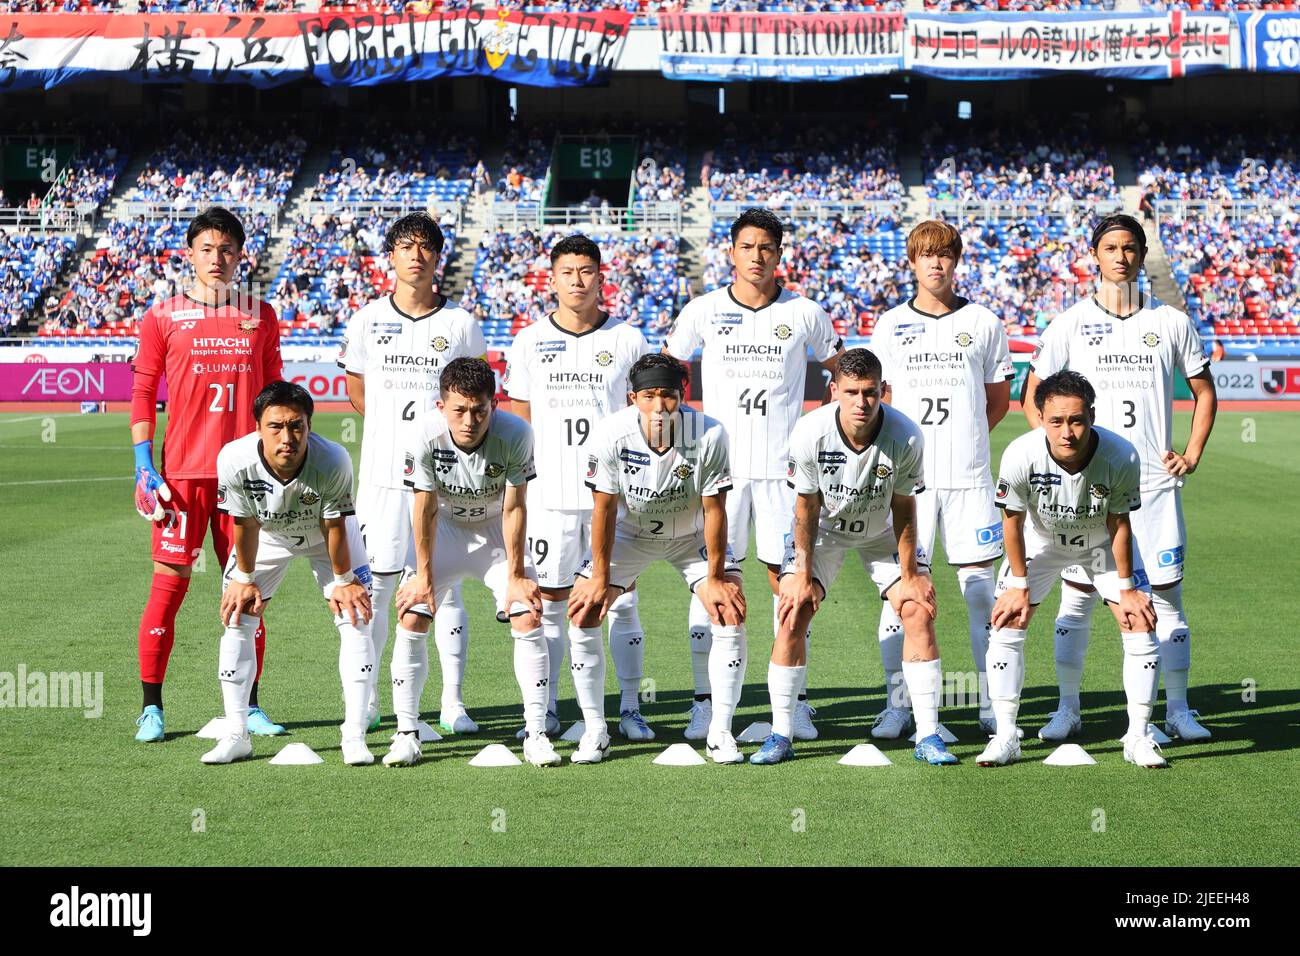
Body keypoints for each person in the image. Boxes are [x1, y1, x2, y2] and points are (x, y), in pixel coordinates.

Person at [1024, 214, 1217, 743]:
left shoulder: (1172, 322)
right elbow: (1032, 392)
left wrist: (1192, 453)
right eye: (1111, 247)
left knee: (1168, 599)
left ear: (1141, 252)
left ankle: (1176, 710)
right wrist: (1054, 461)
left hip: (1153, 488)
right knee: (1078, 599)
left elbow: (1204, 391)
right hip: (1086, 489)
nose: (1121, 257)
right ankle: (1068, 709)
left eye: (1130, 247)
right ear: (1096, 254)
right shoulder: (1069, 323)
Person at [664, 207, 842, 742]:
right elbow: (667, 372)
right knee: (714, 583)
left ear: (779, 253)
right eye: (748, 246)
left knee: (788, 585)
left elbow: (844, 372)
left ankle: (795, 703)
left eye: (767, 247)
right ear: (731, 252)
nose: (757, 256)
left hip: (783, 477)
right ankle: (705, 703)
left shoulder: (806, 313)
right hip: (717, 476)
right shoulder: (703, 311)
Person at [752, 348, 956, 766]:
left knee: (918, 610)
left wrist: (911, 573)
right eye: (851, 392)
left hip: (881, 529)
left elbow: (904, 508)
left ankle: (928, 735)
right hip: (824, 529)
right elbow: (805, 511)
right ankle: (780, 733)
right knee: (793, 610)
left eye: (870, 392)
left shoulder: (907, 436)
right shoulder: (810, 433)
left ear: (883, 390)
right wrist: (803, 575)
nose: (861, 403)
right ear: (834, 392)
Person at [129, 206, 283, 743]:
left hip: (243, 478)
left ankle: (251, 706)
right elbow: (144, 392)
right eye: (207, 249)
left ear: (241, 256)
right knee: (167, 590)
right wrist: (143, 463)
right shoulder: (163, 316)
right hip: (182, 479)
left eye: (227, 250)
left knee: (248, 593)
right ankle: (152, 708)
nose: (217, 259)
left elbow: (274, 397)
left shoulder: (260, 315)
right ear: (190, 254)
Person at [340, 212, 486, 737]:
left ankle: (451, 701)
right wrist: (392, 434)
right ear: (391, 256)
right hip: (380, 476)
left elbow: (472, 395)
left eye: (426, 246)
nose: (416, 255)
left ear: (438, 256)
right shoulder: (366, 319)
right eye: (406, 246)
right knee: (376, 587)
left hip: (446, 478)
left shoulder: (461, 324)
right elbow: (358, 392)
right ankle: (373, 699)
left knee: (442, 586)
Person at [869, 220, 1014, 739]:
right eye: (926, 256)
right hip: (908, 487)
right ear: (911, 261)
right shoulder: (889, 326)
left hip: (970, 483)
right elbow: (877, 400)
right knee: (901, 596)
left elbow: (996, 400)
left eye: (945, 255)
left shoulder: (983, 321)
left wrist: (967, 439)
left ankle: (992, 706)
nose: (936, 264)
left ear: (957, 261)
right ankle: (899, 704)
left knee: (981, 597)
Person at [504, 234, 650, 741]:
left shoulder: (628, 340)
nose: (577, 280)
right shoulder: (528, 341)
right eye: (568, 271)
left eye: (587, 271)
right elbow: (520, 421)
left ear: (600, 276)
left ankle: (630, 707)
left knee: (622, 599)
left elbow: (644, 416)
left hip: (612, 498)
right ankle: (545, 711)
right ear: (553, 277)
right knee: (548, 604)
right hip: (549, 497)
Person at [567, 353, 747, 765]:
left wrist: (717, 577)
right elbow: (604, 510)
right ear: (633, 398)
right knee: (584, 610)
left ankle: (720, 731)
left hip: (691, 535)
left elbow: (716, 510)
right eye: (649, 396)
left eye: (668, 395)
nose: (660, 405)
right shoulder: (610, 434)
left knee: (729, 609)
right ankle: (597, 729)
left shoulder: (710, 434)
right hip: (632, 535)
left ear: (682, 396)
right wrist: (598, 576)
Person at [982, 370, 1164, 768]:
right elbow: (1011, 521)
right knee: (1007, 621)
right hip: (1042, 544)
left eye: (1077, 420)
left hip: (1099, 543)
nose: (1067, 432)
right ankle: (1007, 734)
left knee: (1139, 621)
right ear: (1041, 418)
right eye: (1057, 421)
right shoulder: (1020, 454)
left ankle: (1138, 735)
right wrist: (1016, 582)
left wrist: (1128, 586)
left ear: (1092, 416)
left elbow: (1120, 523)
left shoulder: (1121, 455)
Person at [202, 382, 375, 765]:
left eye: (296, 426)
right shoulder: (234, 459)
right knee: (237, 618)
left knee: (356, 616)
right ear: (258, 428)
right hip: (266, 534)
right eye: (276, 426)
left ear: (310, 426)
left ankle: (354, 734)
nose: (287, 437)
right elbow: (243, 523)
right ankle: (237, 734)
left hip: (324, 536)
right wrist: (243, 579)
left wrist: (345, 582)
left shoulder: (334, 460)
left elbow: (335, 527)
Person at [390, 358, 546, 767]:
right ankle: (407, 734)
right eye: (459, 410)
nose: (470, 420)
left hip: (494, 530)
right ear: (441, 406)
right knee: (413, 614)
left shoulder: (516, 433)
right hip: (444, 529)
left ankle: (537, 733)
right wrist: (423, 578)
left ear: (494, 405)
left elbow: (515, 508)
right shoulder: (423, 434)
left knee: (526, 613)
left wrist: (515, 576)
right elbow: (422, 511)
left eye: (480, 410)